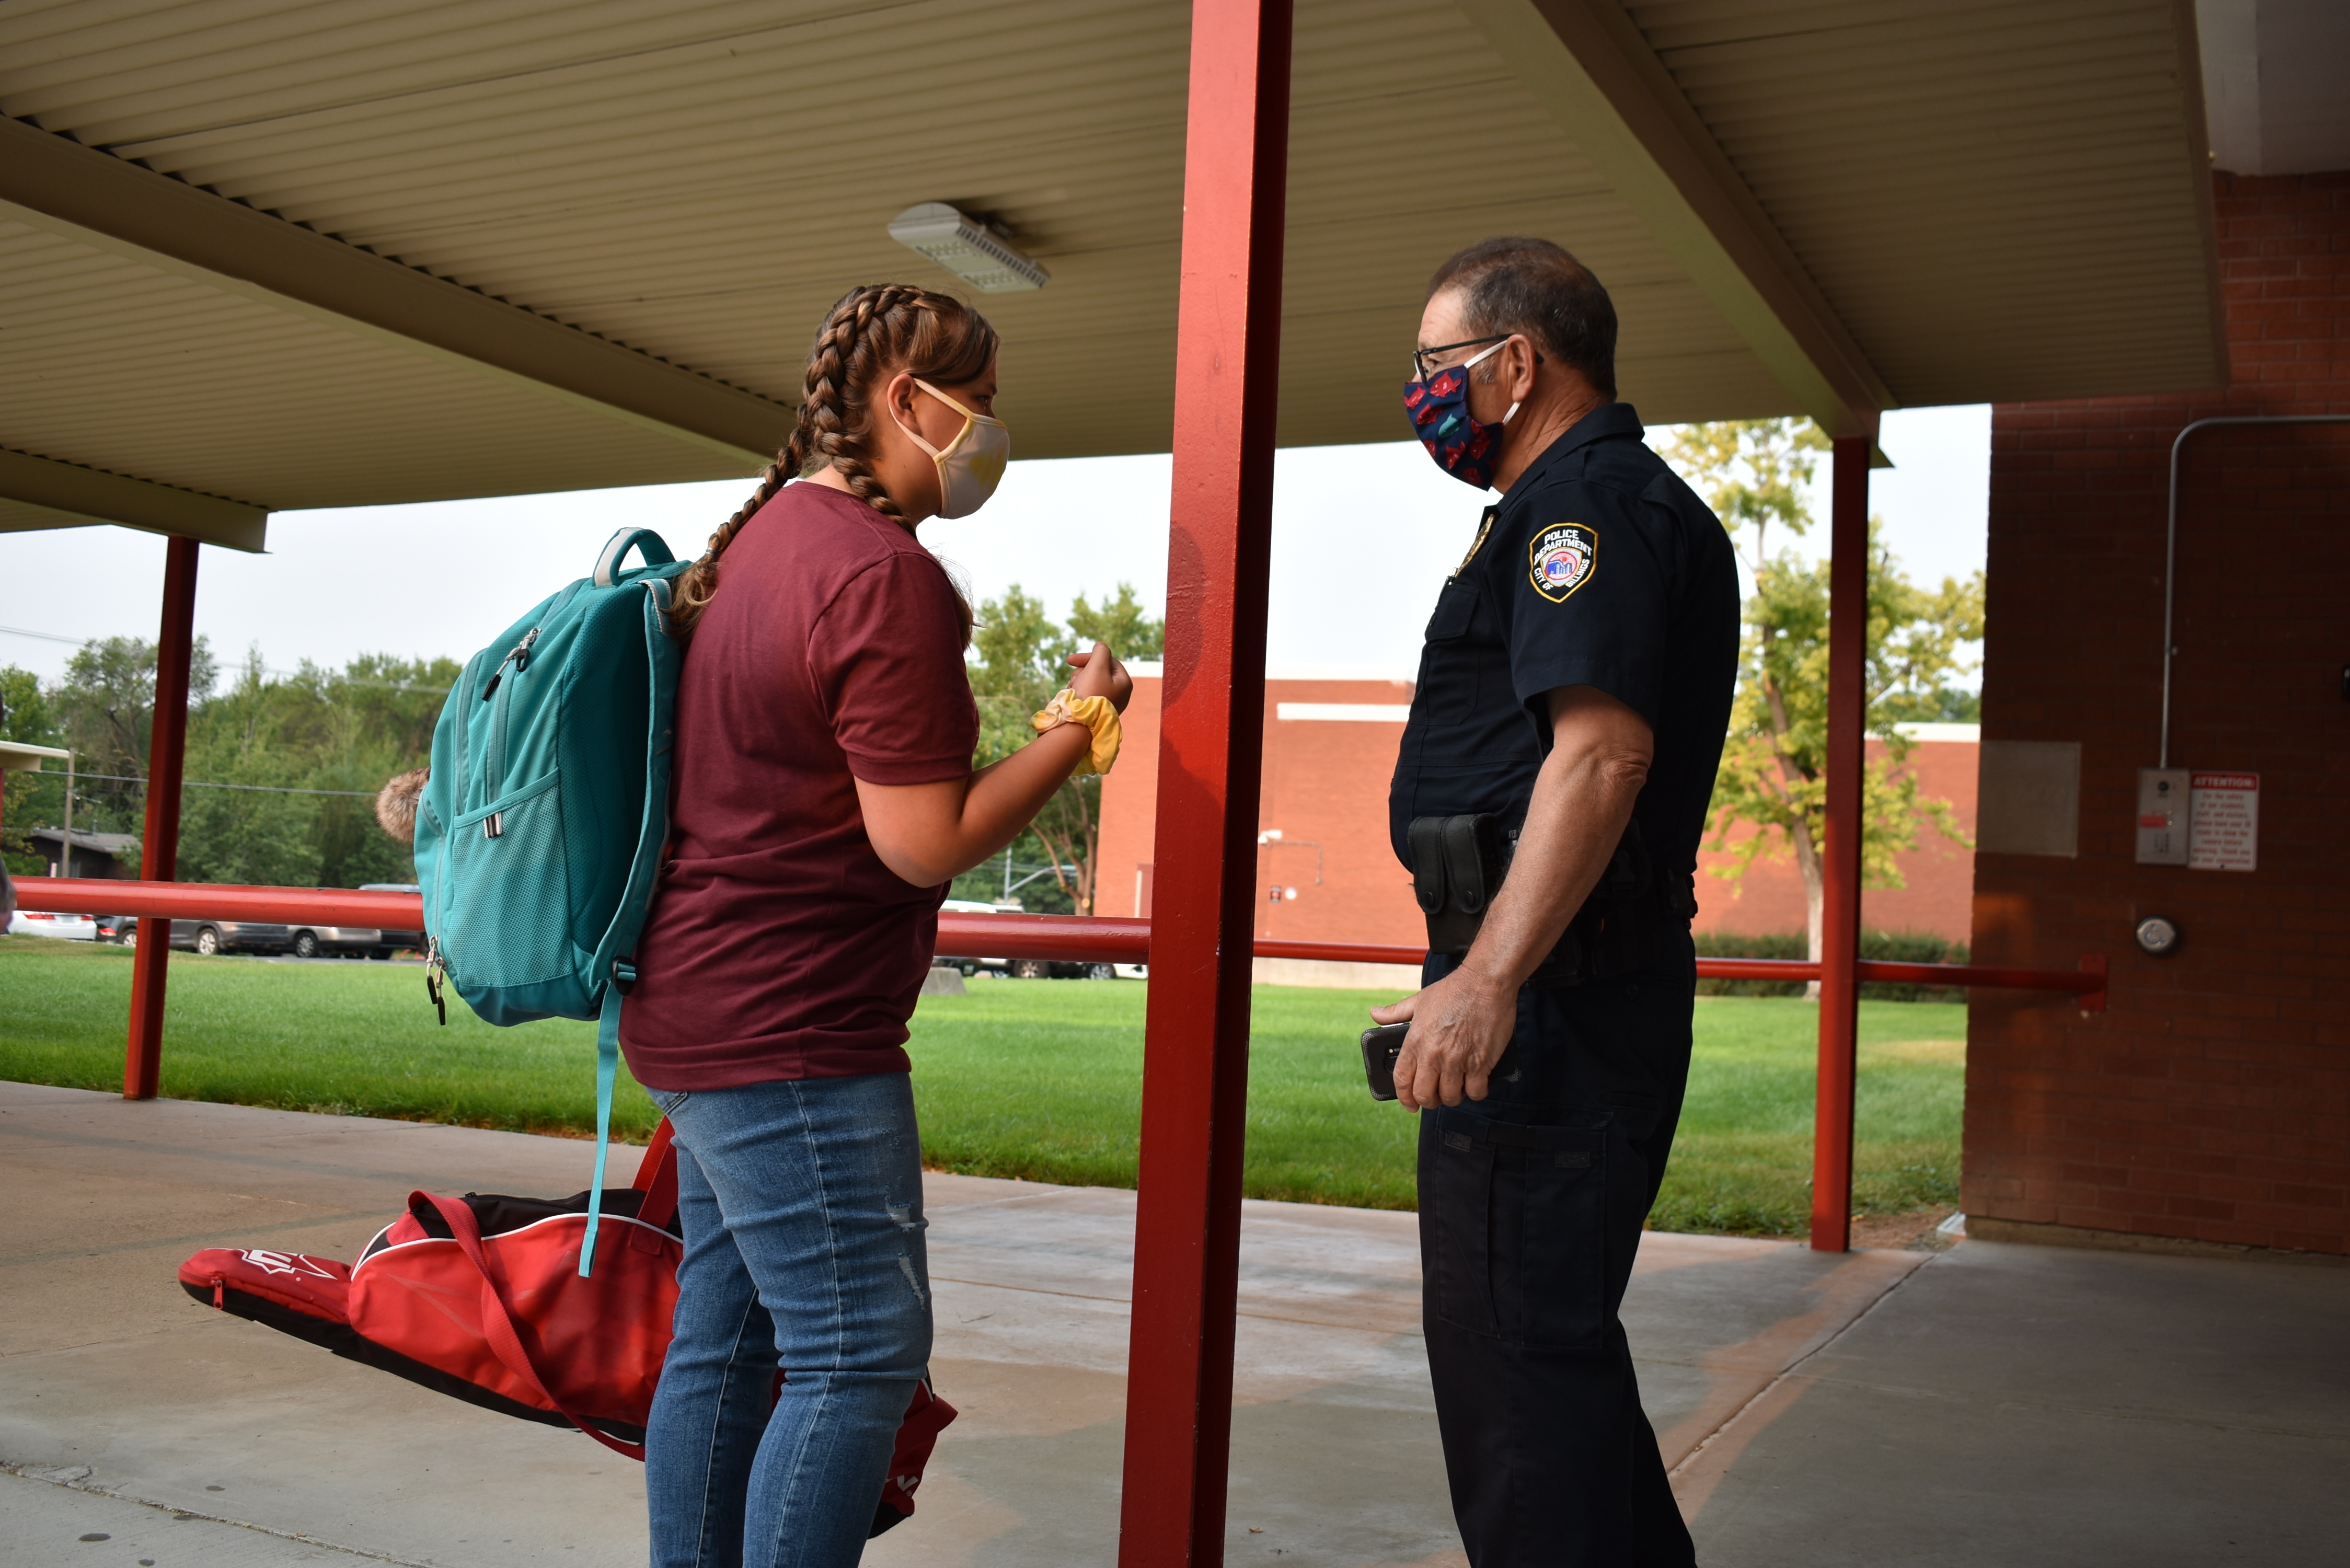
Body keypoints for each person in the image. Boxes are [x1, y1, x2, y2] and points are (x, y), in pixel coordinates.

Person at [618, 283, 1131, 1568]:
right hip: (792, 1032)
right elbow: (921, 841)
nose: (994, 432)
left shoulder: (758, 547)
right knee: (856, 1355)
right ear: (907, 401)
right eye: (982, 403)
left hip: (694, 1009)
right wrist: (1077, 728)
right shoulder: (881, 574)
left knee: (728, 1338)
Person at [1373, 238, 1739, 1567]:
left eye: (1436, 363)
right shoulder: (1585, 505)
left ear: (1515, 364)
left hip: (1556, 1014)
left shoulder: (1583, 511)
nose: (1422, 390)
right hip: (1562, 993)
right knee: (1551, 1369)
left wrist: (1487, 979)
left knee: (1519, 1393)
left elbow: (1600, 757)